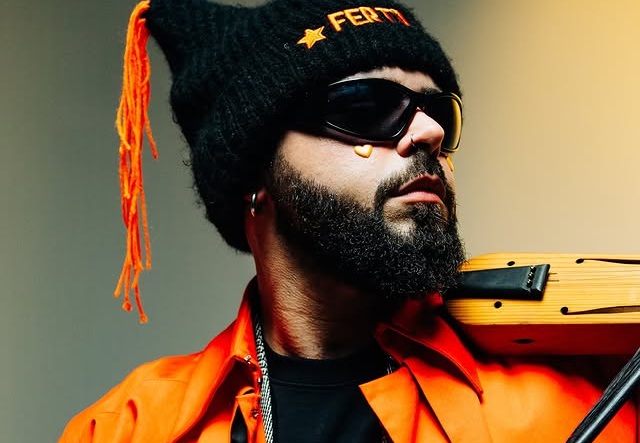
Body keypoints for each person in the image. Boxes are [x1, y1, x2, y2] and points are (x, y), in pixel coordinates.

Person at [59, 0, 638, 441]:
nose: (430, 132)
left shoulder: (597, 392)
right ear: (254, 175)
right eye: (366, 107)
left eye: (440, 111)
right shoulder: (127, 427)